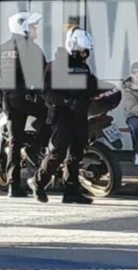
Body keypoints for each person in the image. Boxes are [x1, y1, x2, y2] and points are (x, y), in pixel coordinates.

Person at [0, 11, 47, 198]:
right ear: (23, 28)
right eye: (32, 26)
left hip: (9, 99)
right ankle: (38, 155)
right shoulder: (32, 49)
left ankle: (13, 186)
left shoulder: (5, 48)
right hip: (28, 97)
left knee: (15, 141)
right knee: (48, 119)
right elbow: (44, 74)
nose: (35, 29)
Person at [29, 27, 99, 205]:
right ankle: (38, 182)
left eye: (86, 51)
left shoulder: (83, 67)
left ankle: (71, 191)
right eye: (82, 50)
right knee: (58, 151)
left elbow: (89, 88)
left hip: (79, 114)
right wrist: (66, 101)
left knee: (77, 151)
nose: (85, 54)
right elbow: (46, 91)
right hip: (61, 113)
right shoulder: (55, 66)